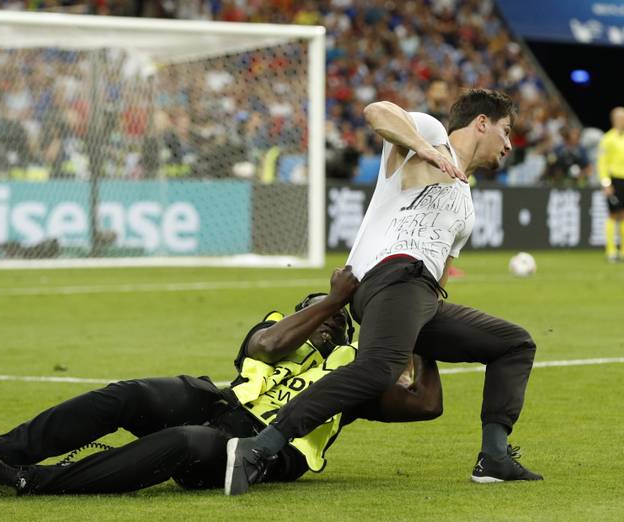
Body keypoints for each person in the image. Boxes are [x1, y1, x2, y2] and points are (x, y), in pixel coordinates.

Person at [226, 89, 542, 496]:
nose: (509, 144)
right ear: (481, 123)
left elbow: (441, 272)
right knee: (378, 369)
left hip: (419, 296)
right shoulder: (429, 134)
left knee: (513, 344)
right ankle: (259, 447)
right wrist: (424, 148)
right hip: (390, 273)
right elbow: (377, 111)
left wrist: (413, 345)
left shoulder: (466, 202)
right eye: (506, 130)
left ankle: (494, 457)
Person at [0, 268, 444, 496]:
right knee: (131, 395)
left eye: (333, 318)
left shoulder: (358, 367)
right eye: (310, 312)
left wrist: (415, 327)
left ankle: (23, 481)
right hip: (216, 402)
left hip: (264, 449)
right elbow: (266, 347)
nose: (325, 320)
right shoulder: (272, 331)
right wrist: (329, 300)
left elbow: (425, 404)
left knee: (182, 442)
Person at [597, 107, 624, 262]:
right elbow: (602, 163)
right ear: (617, 119)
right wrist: (606, 183)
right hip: (614, 180)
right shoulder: (607, 139)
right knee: (614, 214)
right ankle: (611, 251)